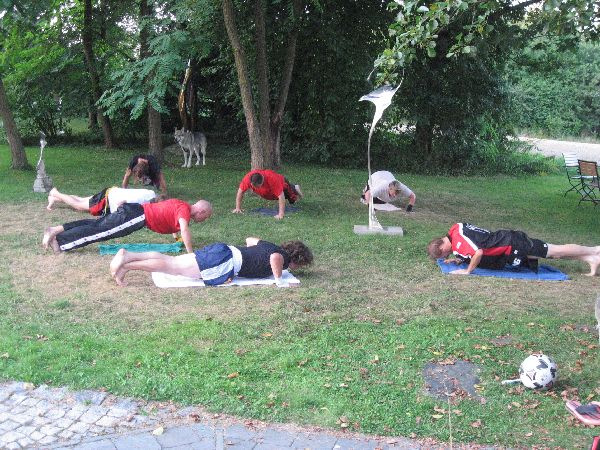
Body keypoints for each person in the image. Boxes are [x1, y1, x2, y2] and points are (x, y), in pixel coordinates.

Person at [109, 238, 313, 287]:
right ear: (296, 259)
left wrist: (254, 255)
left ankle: (129, 257)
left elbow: (250, 239)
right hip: (224, 260)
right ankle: (127, 263)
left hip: (225, 251)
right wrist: (279, 280)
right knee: (172, 266)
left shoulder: (271, 245)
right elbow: (275, 259)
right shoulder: (283, 258)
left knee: (172, 261)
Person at [42, 199, 212, 254]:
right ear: (201, 211)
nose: (204, 220)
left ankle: (56, 230)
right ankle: (61, 242)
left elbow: (171, 220)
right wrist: (191, 254)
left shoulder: (181, 204)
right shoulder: (184, 211)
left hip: (134, 210)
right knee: (99, 231)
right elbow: (184, 228)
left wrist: (176, 238)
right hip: (135, 217)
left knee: (97, 225)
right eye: (206, 217)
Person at [427, 222, 600, 276]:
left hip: (513, 244)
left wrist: (467, 271)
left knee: (555, 251)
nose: (447, 254)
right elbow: (472, 242)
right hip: (508, 240)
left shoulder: (458, 242)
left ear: (442, 247)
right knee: (554, 254)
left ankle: (594, 250)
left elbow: (478, 252)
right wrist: (460, 258)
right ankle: (590, 258)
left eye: (445, 253)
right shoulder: (455, 229)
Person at [232, 170, 302, 220]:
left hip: (283, 184)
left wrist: (281, 214)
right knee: (272, 196)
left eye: (259, 186)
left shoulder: (272, 178)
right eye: (255, 187)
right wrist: (238, 208)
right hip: (269, 193)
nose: (258, 188)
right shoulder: (247, 179)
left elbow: (281, 196)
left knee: (292, 199)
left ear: (263, 180)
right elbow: (240, 192)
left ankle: (295, 187)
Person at [46, 186, 158, 216]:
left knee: (81, 199)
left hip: (112, 191)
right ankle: (55, 193)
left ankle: (55, 198)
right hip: (107, 200)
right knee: (79, 205)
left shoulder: (152, 194)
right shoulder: (139, 201)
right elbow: (120, 203)